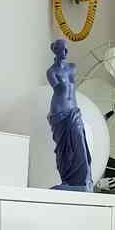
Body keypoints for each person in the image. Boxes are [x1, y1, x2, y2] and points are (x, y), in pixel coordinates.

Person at [46, 39, 93, 191]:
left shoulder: (73, 67)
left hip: (73, 110)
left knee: (79, 141)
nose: (66, 52)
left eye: (67, 49)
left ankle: (84, 180)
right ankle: (67, 179)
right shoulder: (51, 72)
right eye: (62, 49)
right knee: (63, 148)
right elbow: (59, 90)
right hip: (59, 112)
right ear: (56, 51)